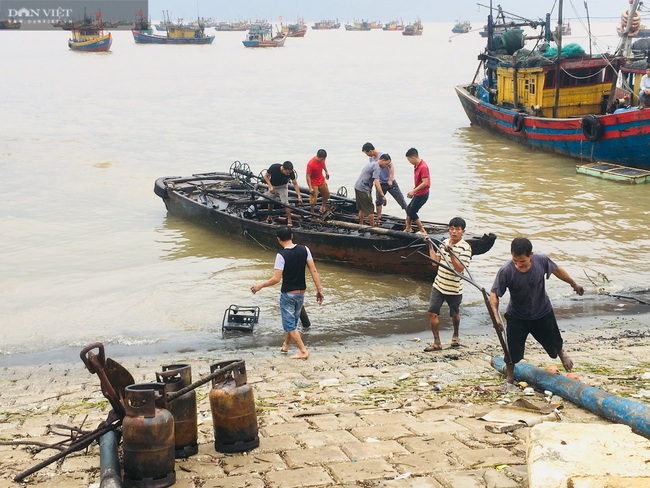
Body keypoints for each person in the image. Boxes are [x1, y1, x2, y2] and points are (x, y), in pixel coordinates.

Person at [489, 237, 584, 383]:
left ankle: (561, 353)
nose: (519, 265)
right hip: (517, 315)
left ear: (530, 255)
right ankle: (509, 376)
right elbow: (494, 294)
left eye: (522, 261)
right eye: (515, 261)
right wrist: (496, 316)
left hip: (542, 310)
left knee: (553, 340)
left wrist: (573, 284)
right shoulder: (506, 270)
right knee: (512, 351)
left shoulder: (541, 260)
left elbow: (557, 270)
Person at [251, 226, 324, 359]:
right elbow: (314, 270)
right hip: (301, 293)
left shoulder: (281, 255)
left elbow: (276, 279)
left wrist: (260, 285)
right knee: (292, 322)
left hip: (288, 294)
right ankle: (286, 345)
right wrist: (319, 290)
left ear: (278, 239)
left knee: (289, 324)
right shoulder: (305, 249)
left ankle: (303, 351)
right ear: (292, 236)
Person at [424, 217, 472, 352]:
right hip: (439, 285)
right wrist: (430, 246)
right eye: (451, 229)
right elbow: (435, 262)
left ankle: (456, 335)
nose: (454, 232)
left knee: (454, 314)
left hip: (454, 288)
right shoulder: (444, 242)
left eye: (457, 229)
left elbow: (459, 269)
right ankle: (437, 342)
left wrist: (451, 253)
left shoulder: (466, 248)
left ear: (463, 231)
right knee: (432, 312)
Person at [362, 143, 408, 222]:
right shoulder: (371, 158)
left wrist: (390, 179)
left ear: (370, 151)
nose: (367, 155)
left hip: (389, 182)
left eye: (367, 153)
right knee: (378, 201)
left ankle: (409, 216)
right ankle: (379, 217)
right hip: (380, 182)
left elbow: (391, 167)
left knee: (400, 199)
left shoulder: (383, 156)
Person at [354, 153, 390, 226]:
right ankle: (372, 227)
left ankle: (360, 224)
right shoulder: (377, 167)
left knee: (362, 208)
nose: (386, 166)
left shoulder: (371, 164)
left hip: (358, 186)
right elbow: (377, 182)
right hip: (364, 189)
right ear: (383, 160)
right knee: (370, 209)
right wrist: (382, 195)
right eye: (386, 164)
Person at [263, 161, 303, 227]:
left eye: (289, 172)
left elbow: (295, 184)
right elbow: (266, 176)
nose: (288, 174)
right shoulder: (274, 167)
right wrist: (270, 186)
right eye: (287, 172)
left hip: (283, 186)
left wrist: (299, 196)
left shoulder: (291, 172)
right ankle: (269, 216)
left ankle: (289, 220)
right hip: (273, 186)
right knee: (270, 201)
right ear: (283, 169)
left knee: (285, 203)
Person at [404, 148, 430, 234]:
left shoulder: (423, 167)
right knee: (408, 209)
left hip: (423, 194)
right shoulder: (417, 166)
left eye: (409, 160)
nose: (409, 162)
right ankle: (408, 228)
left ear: (413, 158)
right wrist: (414, 191)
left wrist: (413, 191)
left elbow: (425, 183)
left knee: (412, 212)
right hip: (418, 193)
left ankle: (422, 230)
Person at [305, 149, 330, 214]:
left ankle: (323, 207)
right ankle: (312, 211)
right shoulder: (310, 164)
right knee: (314, 198)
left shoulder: (323, 159)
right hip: (313, 181)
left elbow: (323, 164)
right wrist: (310, 188)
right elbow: (308, 176)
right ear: (318, 157)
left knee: (326, 194)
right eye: (321, 159)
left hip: (321, 178)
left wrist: (326, 171)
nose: (322, 160)